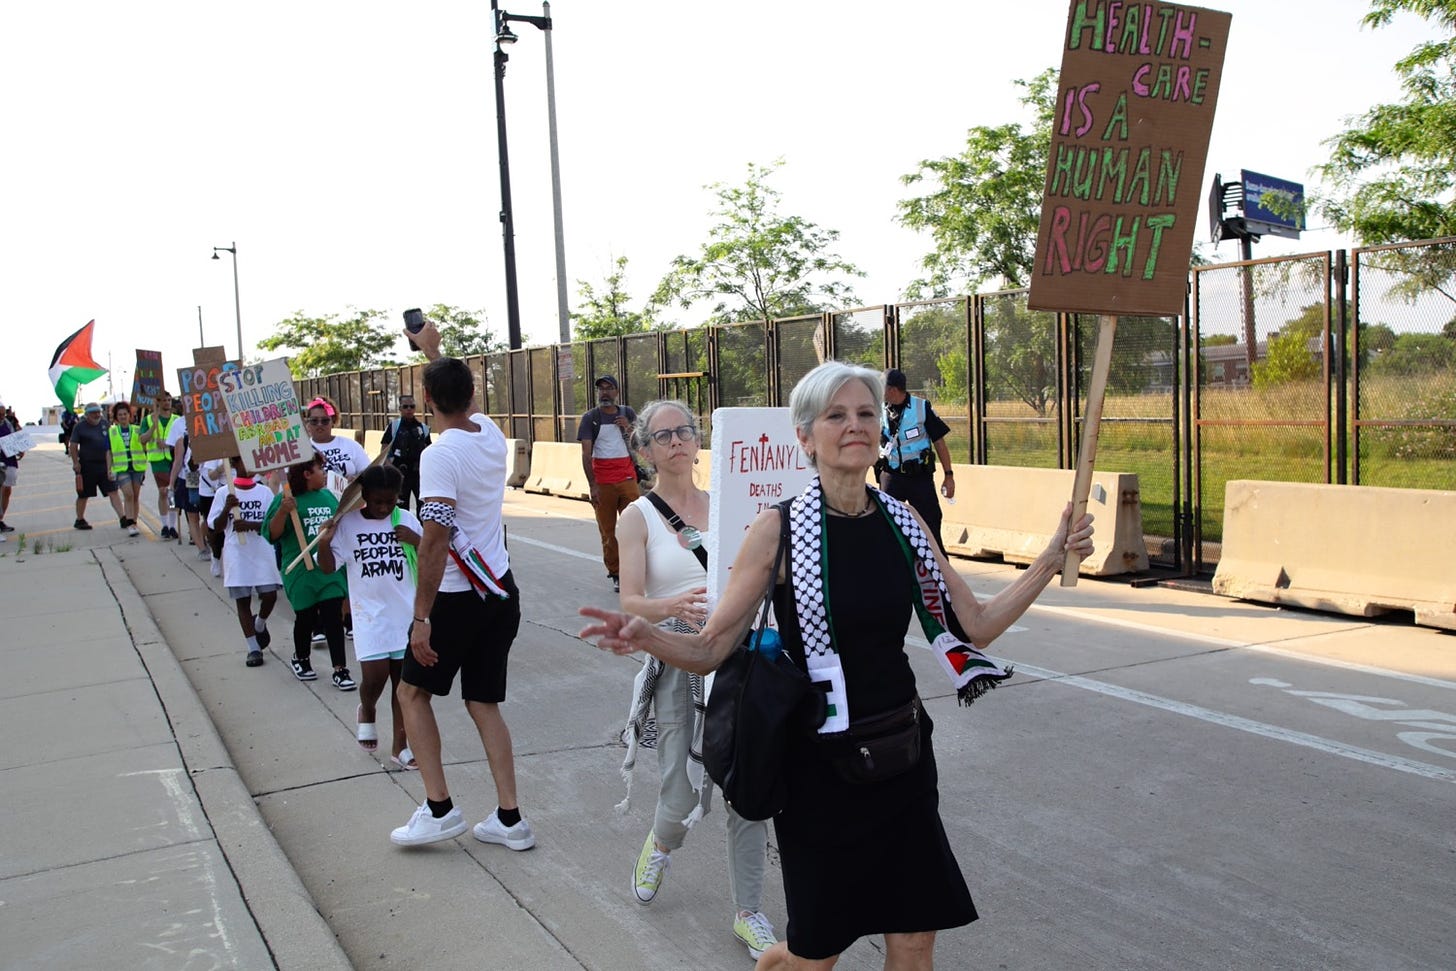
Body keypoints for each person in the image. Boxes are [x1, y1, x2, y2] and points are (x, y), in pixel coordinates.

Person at [581, 361, 1095, 970]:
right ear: (805, 436)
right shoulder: (777, 529)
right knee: (815, 955)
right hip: (821, 770)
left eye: (866, 414)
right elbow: (712, 647)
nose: (855, 426)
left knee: (914, 939)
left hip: (901, 757)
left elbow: (975, 624)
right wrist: (647, 635)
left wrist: (1049, 559)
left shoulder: (905, 523)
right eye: (836, 415)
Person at [615, 399, 779, 960]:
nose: (677, 442)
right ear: (645, 450)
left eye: (685, 431)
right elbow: (630, 600)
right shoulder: (636, 516)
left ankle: (749, 912)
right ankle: (662, 842)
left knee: (749, 794)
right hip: (680, 664)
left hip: (742, 661)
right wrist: (670, 607)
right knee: (682, 794)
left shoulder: (731, 506)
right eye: (663, 436)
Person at [390, 318, 534, 851]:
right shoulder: (491, 434)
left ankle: (439, 808)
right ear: (472, 396)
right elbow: (455, 396)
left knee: (411, 693)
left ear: (426, 399)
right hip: (499, 591)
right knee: (483, 703)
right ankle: (511, 819)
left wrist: (421, 617)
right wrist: (434, 350)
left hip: (454, 598)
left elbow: (434, 539)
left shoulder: (438, 456)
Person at [317, 463, 420, 769]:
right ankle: (367, 708)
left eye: (391, 501)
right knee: (374, 677)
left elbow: (434, 556)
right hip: (368, 615)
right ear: (363, 495)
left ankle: (400, 746)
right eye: (378, 501)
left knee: (404, 686)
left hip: (405, 614)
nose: (384, 507)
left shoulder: (408, 520)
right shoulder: (347, 524)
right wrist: (324, 540)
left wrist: (417, 540)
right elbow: (326, 567)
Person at [264, 455, 355, 690]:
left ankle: (340, 669)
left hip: (327, 567)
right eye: (319, 469)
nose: (324, 473)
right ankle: (301, 658)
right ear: (306, 474)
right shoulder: (285, 499)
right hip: (300, 569)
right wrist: (283, 512)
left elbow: (343, 526)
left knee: (333, 616)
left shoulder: (327, 496)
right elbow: (271, 535)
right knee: (306, 617)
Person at [208, 457, 282, 668]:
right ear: (234, 464)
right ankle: (253, 648)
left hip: (261, 551)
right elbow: (216, 526)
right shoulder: (224, 493)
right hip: (237, 554)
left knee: (269, 595)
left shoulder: (265, 492)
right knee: (243, 601)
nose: (249, 467)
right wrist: (227, 509)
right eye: (243, 462)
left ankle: (259, 624)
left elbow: (272, 523)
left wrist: (249, 524)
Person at [878, 368, 956, 554]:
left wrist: (948, 475)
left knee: (931, 524)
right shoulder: (878, 410)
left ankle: (941, 574)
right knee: (886, 527)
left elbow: (940, 443)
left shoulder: (922, 408)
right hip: (891, 477)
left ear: (893, 390)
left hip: (919, 478)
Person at [578, 375, 639, 592]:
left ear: (616, 392)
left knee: (636, 526)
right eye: (601, 389)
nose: (604, 392)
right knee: (608, 531)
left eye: (609, 388)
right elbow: (586, 454)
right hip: (603, 481)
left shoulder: (627, 413)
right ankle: (616, 573)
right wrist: (592, 485)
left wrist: (629, 428)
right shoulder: (590, 418)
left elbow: (641, 441)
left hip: (627, 477)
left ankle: (637, 570)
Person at [69, 402, 125, 531]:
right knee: (84, 494)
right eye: (94, 412)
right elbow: (73, 446)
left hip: (105, 465)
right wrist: (75, 463)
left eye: (98, 412)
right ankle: (80, 519)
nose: (97, 415)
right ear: (87, 414)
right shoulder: (79, 427)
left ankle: (123, 518)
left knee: (113, 491)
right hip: (87, 466)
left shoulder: (105, 424)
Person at [138, 391, 182, 539]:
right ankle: (164, 525)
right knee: (164, 491)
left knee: (172, 494)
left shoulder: (176, 419)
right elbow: (142, 439)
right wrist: (153, 427)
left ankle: (172, 526)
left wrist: (168, 445)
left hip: (174, 459)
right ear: (158, 402)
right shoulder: (149, 420)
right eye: (164, 400)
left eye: (169, 400)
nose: (167, 403)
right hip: (158, 461)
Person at [305, 396, 371, 492]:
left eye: (325, 421)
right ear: (308, 423)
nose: (319, 424)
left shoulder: (351, 445)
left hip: (348, 502)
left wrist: (356, 480)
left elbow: (369, 472)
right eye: (314, 421)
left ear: (333, 421)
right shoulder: (302, 451)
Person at [381, 394, 431, 511]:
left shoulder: (422, 428)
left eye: (412, 406)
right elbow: (383, 452)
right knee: (400, 508)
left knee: (423, 506)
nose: (409, 409)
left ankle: (421, 529)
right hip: (400, 474)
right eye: (405, 406)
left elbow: (429, 450)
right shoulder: (393, 427)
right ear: (400, 409)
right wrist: (391, 470)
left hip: (418, 474)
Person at [108, 402, 148, 537]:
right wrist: (109, 468)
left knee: (135, 496)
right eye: (120, 415)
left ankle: (134, 522)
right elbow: (109, 451)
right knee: (128, 494)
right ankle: (130, 522)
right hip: (122, 468)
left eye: (125, 414)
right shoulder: (112, 431)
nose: (123, 417)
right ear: (116, 417)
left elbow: (144, 443)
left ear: (129, 415)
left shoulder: (137, 429)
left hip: (137, 467)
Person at [0, 401, 21, 534]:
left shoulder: (7, 423)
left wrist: (20, 449)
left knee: (7, 490)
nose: (2, 417)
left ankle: (0, 518)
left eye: (2, 414)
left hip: (9, 460)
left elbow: (15, 438)